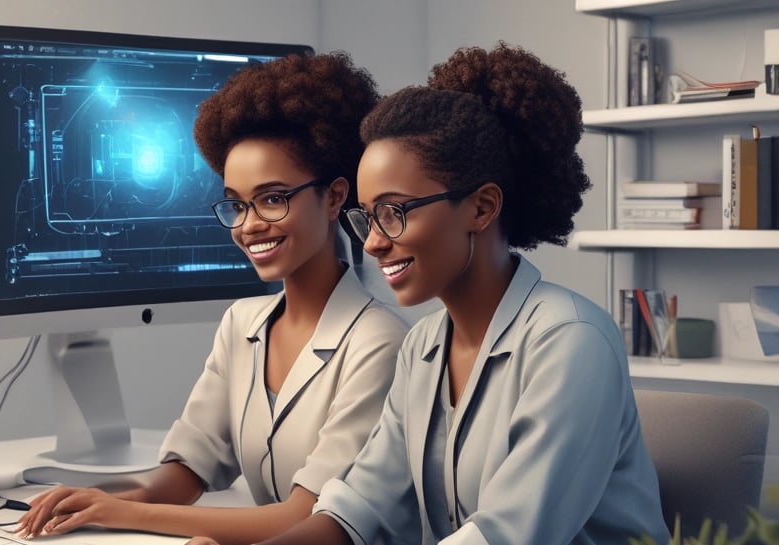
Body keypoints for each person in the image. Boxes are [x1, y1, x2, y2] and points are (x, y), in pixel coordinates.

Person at [196, 42, 672, 545]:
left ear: (482, 207)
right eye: (366, 216)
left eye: (395, 212)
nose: (375, 242)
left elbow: (505, 534)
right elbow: (357, 507)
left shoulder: (571, 341)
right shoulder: (423, 348)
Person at [14, 52, 410, 544]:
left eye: (272, 198)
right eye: (236, 204)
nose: (248, 226)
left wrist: (127, 516)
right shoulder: (242, 324)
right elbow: (187, 471)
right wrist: (101, 501)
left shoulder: (381, 342)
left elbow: (308, 518)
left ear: (333, 197)